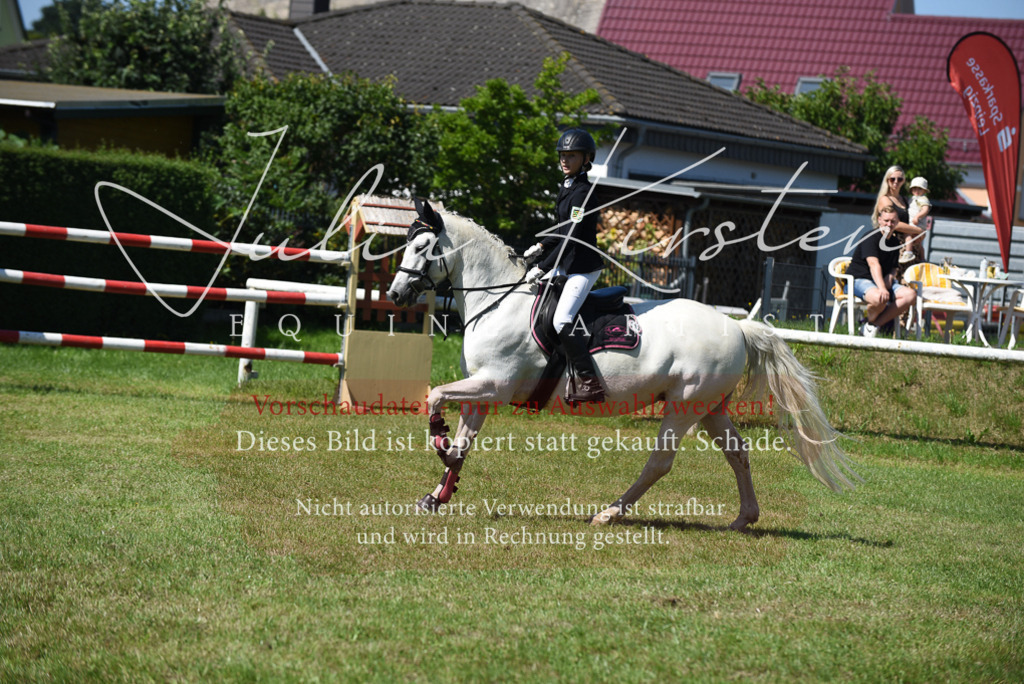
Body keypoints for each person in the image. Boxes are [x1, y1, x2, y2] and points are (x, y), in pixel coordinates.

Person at [524, 128, 606, 403]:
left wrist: (543, 266)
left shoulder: (584, 193)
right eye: (562, 155)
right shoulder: (567, 186)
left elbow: (571, 236)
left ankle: (591, 383)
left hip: (582, 267)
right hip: (565, 263)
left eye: (571, 156)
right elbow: (561, 229)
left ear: (586, 159)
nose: (565, 160)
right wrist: (541, 245)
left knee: (561, 320)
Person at [846, 205, 920, 338]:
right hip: (859, 279)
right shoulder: (870, 237)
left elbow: (893, 267)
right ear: (879, 220)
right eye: (886, 220)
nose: (889, 224)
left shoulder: (895, 242)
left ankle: (871, 326)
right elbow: (874, 264)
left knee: (910, 295)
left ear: (897, 223)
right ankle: (870, 325)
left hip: (881, 281)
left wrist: (890, 277)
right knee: (879, 298)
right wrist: (882, 288)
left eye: (893, 221)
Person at [902, 176, 931, 264]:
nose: (916, 191)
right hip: (915, 223)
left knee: (908, 235)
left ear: (924, 191)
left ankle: (908, 253)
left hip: (917, 223)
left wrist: (917, 217)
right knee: (919, 243)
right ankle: (922, 259)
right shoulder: (913, 198)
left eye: (919, 189)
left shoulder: (923, 199)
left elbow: (925, 209)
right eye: (914, 189)